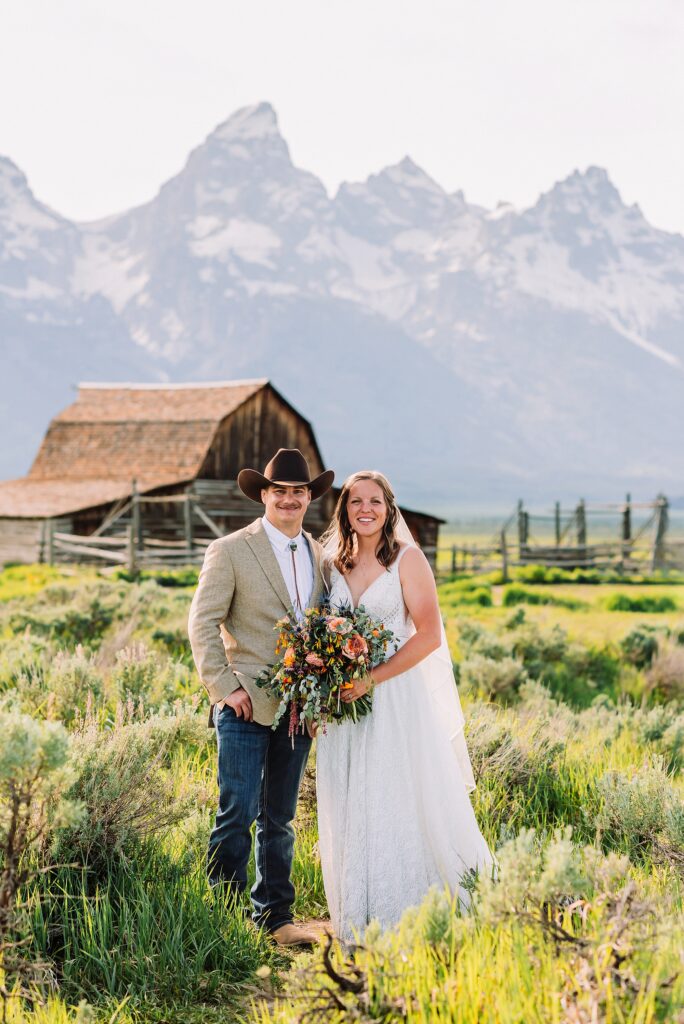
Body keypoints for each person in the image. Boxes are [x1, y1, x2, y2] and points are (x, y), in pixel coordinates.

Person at [316, 470, 496, 942]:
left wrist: (370, 678)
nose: (365, 510)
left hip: (393, 700)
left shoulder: (408, 560)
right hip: (343, 708)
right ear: (345, 509)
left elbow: (430, 636)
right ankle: (359, 912)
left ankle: (410, 913)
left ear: (389, 507)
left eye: (375, 501)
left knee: (393, 798)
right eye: (356, 502)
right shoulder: (334, 562)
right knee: (349, 799)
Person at [188, 448, 334, 947]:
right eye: (280, 491)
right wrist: (224, 686)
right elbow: (202, 621)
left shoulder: (319, 554)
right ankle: (222, 920)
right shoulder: (230, 549)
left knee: (281, 818)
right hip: (245, 701)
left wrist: (320, 698)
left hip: (298, 705)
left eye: (298, 491)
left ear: (309, 497)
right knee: (237, 812)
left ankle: (276, 919)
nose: (289, 499)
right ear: (264, 495)